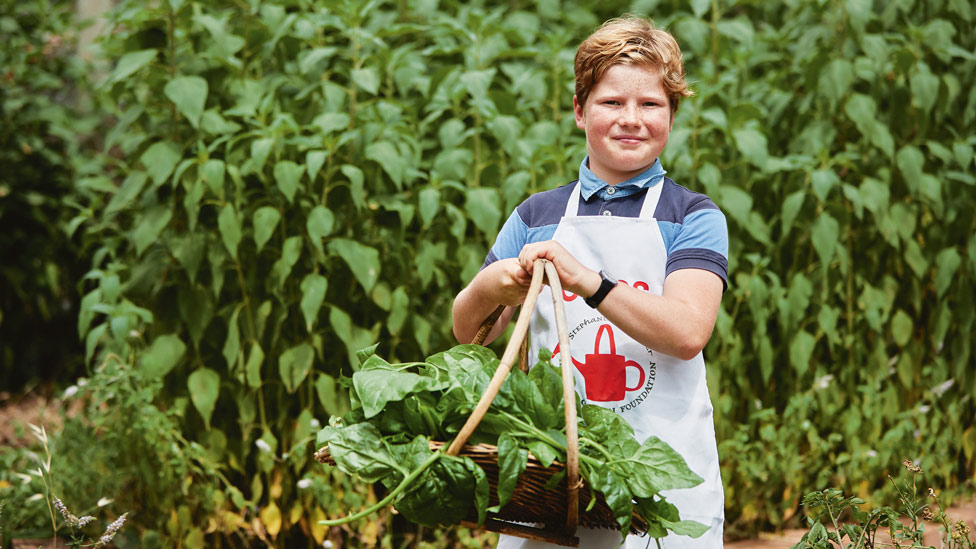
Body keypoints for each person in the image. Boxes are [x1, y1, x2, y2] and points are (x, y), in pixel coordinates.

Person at [451, 15, 728, 549]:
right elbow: (471, 334)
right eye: (611, 103)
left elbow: (689, 331)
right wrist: (495, 286)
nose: (631, 119)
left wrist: (589, 282)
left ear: (672, 115)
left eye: (650, 104)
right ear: (580, 112)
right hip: (551, 474)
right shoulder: (536, 215)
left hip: (660, 475)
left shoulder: (693, 215)